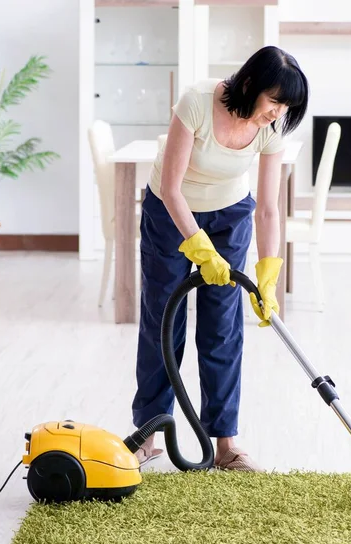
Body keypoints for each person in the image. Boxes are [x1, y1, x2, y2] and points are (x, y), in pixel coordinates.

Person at [131, 45, 309, 471]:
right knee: (163, 318)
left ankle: (225, 444)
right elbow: (172, 189)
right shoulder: (196, 102)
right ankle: (148, 436)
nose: (277, 112)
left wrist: (269, 272)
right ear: (249, 84)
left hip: (230, 215)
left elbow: (268, 207)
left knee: (223, 327)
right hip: (171, 212)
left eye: (287, 106)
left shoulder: (271, 126)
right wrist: (197, 244)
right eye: (274, 101)